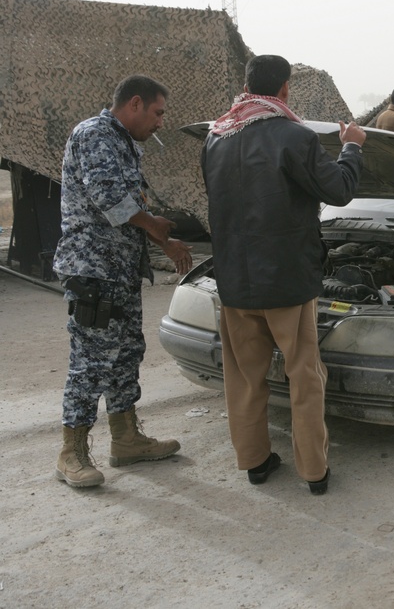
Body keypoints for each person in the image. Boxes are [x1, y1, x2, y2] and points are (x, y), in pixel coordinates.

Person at [201, 54, 365, 495]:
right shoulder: (295, 136)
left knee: (245, 377)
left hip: (234, 280)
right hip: (288, 282)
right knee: (305, 376)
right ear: (286, 88)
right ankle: (314, 471)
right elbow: (340, 190)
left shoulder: (216, 137)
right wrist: (352, 146)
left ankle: (255, 462)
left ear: (247, 86)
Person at [53, 75, 192, 488]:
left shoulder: (123, 141)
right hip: (93, 272)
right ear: (134, 103)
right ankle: (70, 453)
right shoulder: (94, 134)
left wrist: (160, 240)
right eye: (157, 113)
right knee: (91, 362)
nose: (161, 123)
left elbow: (129, 207)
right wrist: (154, 225)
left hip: (120, 270)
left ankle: (126, 439)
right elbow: (109, 198)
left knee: (126, 353)